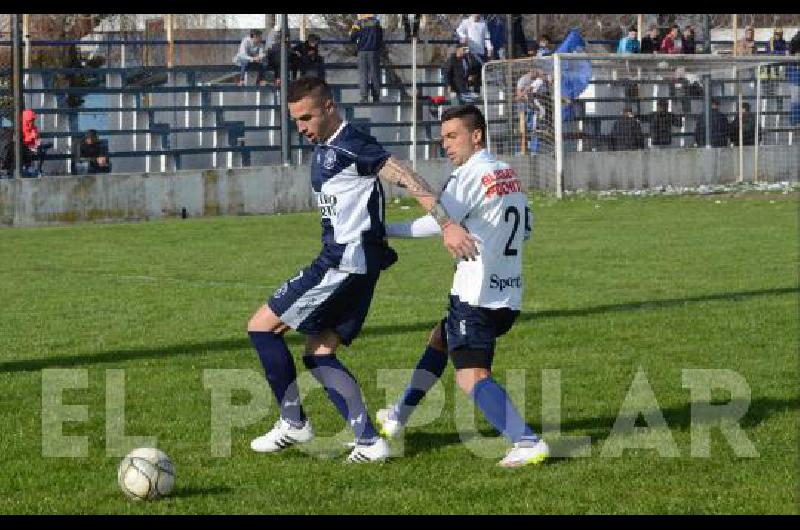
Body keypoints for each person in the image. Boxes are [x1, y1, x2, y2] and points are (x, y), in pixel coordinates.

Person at [246, 77, 478, 463]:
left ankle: (293, 422)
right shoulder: (324, 148)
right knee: (319, 354)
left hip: (342, 264)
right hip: (354, 263)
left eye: (307, 117)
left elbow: (404, 176)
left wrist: (447, 223)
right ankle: (370, 441)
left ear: (330, 107)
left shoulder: (353, 143)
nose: (301, 127)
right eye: (295, 121)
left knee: (261, 327)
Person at [374, 104, 549, 468]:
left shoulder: (468, 175)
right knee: (440, 338)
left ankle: (526, 440)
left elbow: (436, 222)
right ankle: (398, 415)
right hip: (510, 293)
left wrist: (384, 231)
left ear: (477, 135)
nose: (447, 146)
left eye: (453, 137)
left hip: (475, 294)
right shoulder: (507, 173)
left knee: (471, 376)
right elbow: (527, 227)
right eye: (443, 139)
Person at [350, 14, 384, 103]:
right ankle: (376, 97)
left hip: (362, 51)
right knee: (375, 74)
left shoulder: (358, 23)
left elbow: (353, 37)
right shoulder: (376, 23)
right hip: (374, 51)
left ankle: (364, 97)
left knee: (363, 75)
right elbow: (380, 37)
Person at [21, 109, 51, 175]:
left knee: (42, 149)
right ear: (27, 120)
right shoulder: (21, 128)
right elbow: (21, 141)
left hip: (33, 147)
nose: (33, 121)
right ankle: (26, 167)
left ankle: (38, 170)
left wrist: (37, 142)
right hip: (24, 148)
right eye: (31, 120)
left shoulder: (34, 128)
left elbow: (36, 139)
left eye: (33, 120)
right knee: (24, 150)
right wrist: (31, 137)